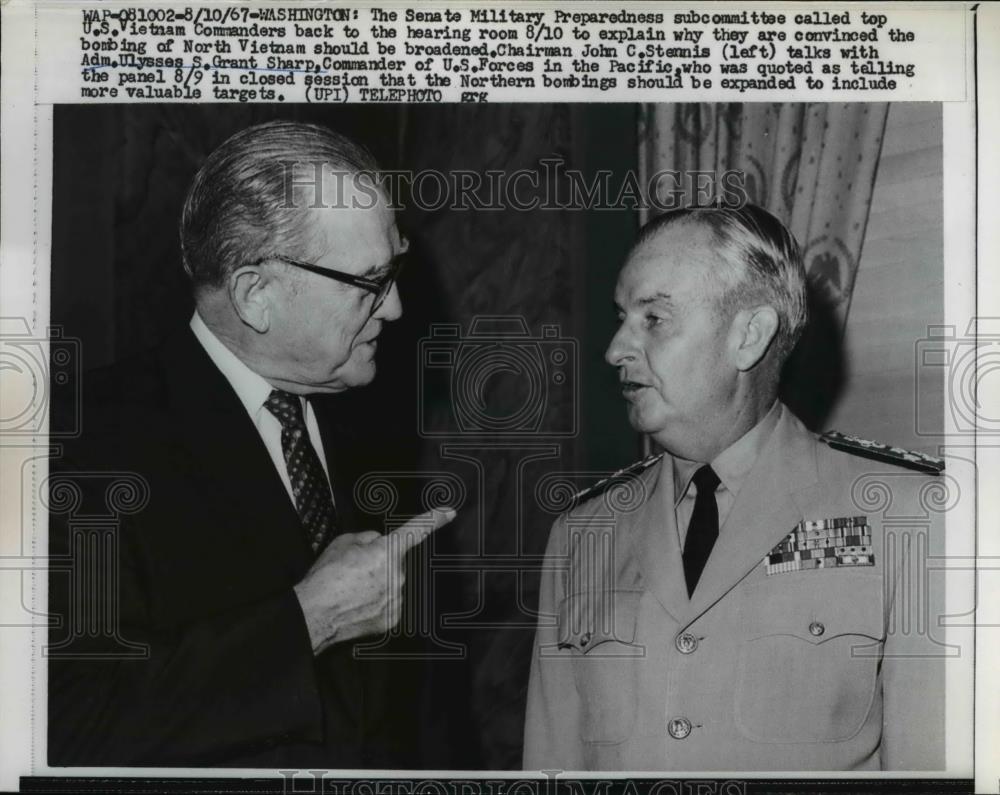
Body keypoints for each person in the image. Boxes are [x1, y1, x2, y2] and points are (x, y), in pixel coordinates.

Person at [48, 121, 454, 767]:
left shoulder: (371, 426)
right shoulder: (81, 444)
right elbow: (67, 722)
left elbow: (411, 712)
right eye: (369, 282)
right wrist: (309, 618)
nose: (397, 307)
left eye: (396, 267)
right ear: (255, 294)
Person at [523, 204, 947, 771]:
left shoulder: (910, 516)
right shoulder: (582, 533)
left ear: (749, 335)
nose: (615, 349)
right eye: (622, 316)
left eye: (654, 318)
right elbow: (551, 767)